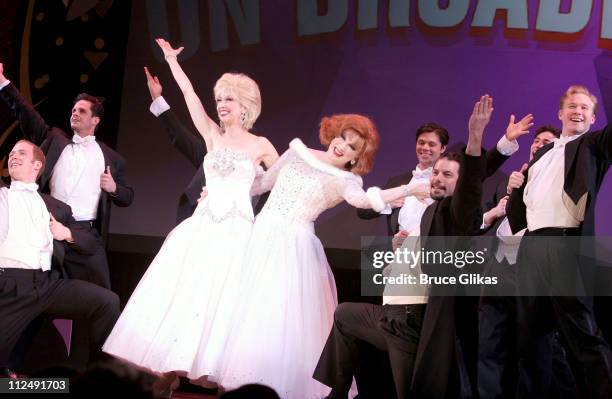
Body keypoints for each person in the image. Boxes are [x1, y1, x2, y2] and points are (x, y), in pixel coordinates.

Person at [102, 38, 278, 397]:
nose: (221, 105)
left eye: (228, 99)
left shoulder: (261, 146)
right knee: (185, 307)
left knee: (225, 316)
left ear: (245, 106)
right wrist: (171, 61)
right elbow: (189, 96)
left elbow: (280, 188)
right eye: (219, 99)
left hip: (238, 233)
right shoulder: (212, 136)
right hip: (201, 229)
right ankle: (164, 385)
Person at [216, 113, 427, 398]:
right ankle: (238, 384)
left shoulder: (345, 180)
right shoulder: (296, 152)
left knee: (277, 314)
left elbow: (364, 201)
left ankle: (274, 385)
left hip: (294, 247)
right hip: (260, 237)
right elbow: (261, 184)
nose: (342, 146)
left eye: (352, 147)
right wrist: (219, 193)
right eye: (343, 138)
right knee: (243, 310)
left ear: (356, 158)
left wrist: (408, 189)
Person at [506, 85, 612, 398]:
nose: (577, 111)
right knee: (529, 336)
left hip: (563, 244)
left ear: (592, 119)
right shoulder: (540, 155)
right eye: (572, 106)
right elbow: (524, 209)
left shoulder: (592, 145)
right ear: (560, 113)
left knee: (582, 333)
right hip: (532, 247)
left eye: (584, 108)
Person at [0, 63, 133, 289]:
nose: (75, 113)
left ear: (95, 120)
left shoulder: (112, 158)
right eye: (73, 110)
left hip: (84, 233)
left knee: (100, 295)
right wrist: (3, 83)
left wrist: (114, 189)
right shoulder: (54, 140)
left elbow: (128, 197)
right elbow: (25, 112)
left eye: (82, 111)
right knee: (37, 291)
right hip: (46, 225)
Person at [0, 140, 119, 373]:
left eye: (21, 153)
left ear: (37, 165)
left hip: (47, 285)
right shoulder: (2, 197)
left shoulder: (56, 207)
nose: (13, 156)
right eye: (11, 153)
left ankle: (99, 377)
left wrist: (67, 234)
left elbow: (90, 244)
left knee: (108, 302)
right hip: (11, 286)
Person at [357, 122, 449, 237]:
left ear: (443, 148)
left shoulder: (449, 183)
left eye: (431, 144)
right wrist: (388, 203)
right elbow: (362, 210)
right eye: (421, 143)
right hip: (399, 250)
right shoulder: (397, 181)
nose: (425, 147)